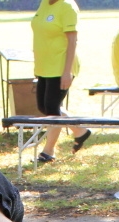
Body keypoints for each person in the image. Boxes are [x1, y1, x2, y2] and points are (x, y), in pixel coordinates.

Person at [31, 0, 92, 163]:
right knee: (43, 107)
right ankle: (80, 131)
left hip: (61, 66)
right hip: (44, 66)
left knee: (52, 109)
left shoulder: (67, 6)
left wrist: (67, 72)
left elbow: (73, 41)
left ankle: (48, 151)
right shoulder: (44, 3)